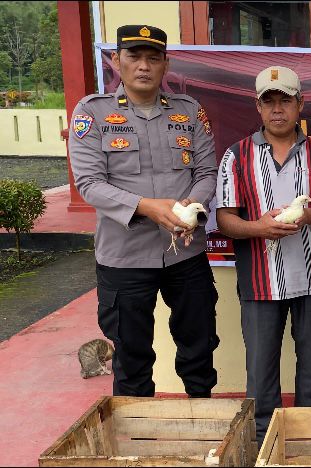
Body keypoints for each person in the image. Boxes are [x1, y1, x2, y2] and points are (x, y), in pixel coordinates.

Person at [68, 25, 219, 397]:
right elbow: (89, 183)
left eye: (154, 58)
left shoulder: (189, 111)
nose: (144, 66)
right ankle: (137, 446)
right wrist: (146, 207)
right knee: (132, 360)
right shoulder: (93, 113)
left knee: (198, 350)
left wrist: (190, 208)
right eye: (134, 57)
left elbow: (206, 172)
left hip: (187, 254)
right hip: (125, 259)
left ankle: (205, 429)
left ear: (166, 64)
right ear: (117, 60)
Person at [215, 66, 311, 446]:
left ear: (301, 103)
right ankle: (262, 443)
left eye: (285, 100)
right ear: (258, 106)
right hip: (259, 282)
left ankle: (306, 441)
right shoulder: (236, 156)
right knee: (261, 371)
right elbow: (223, 220)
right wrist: (259, 228)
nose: (278, 109)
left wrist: (305, 215)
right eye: (269, 101)